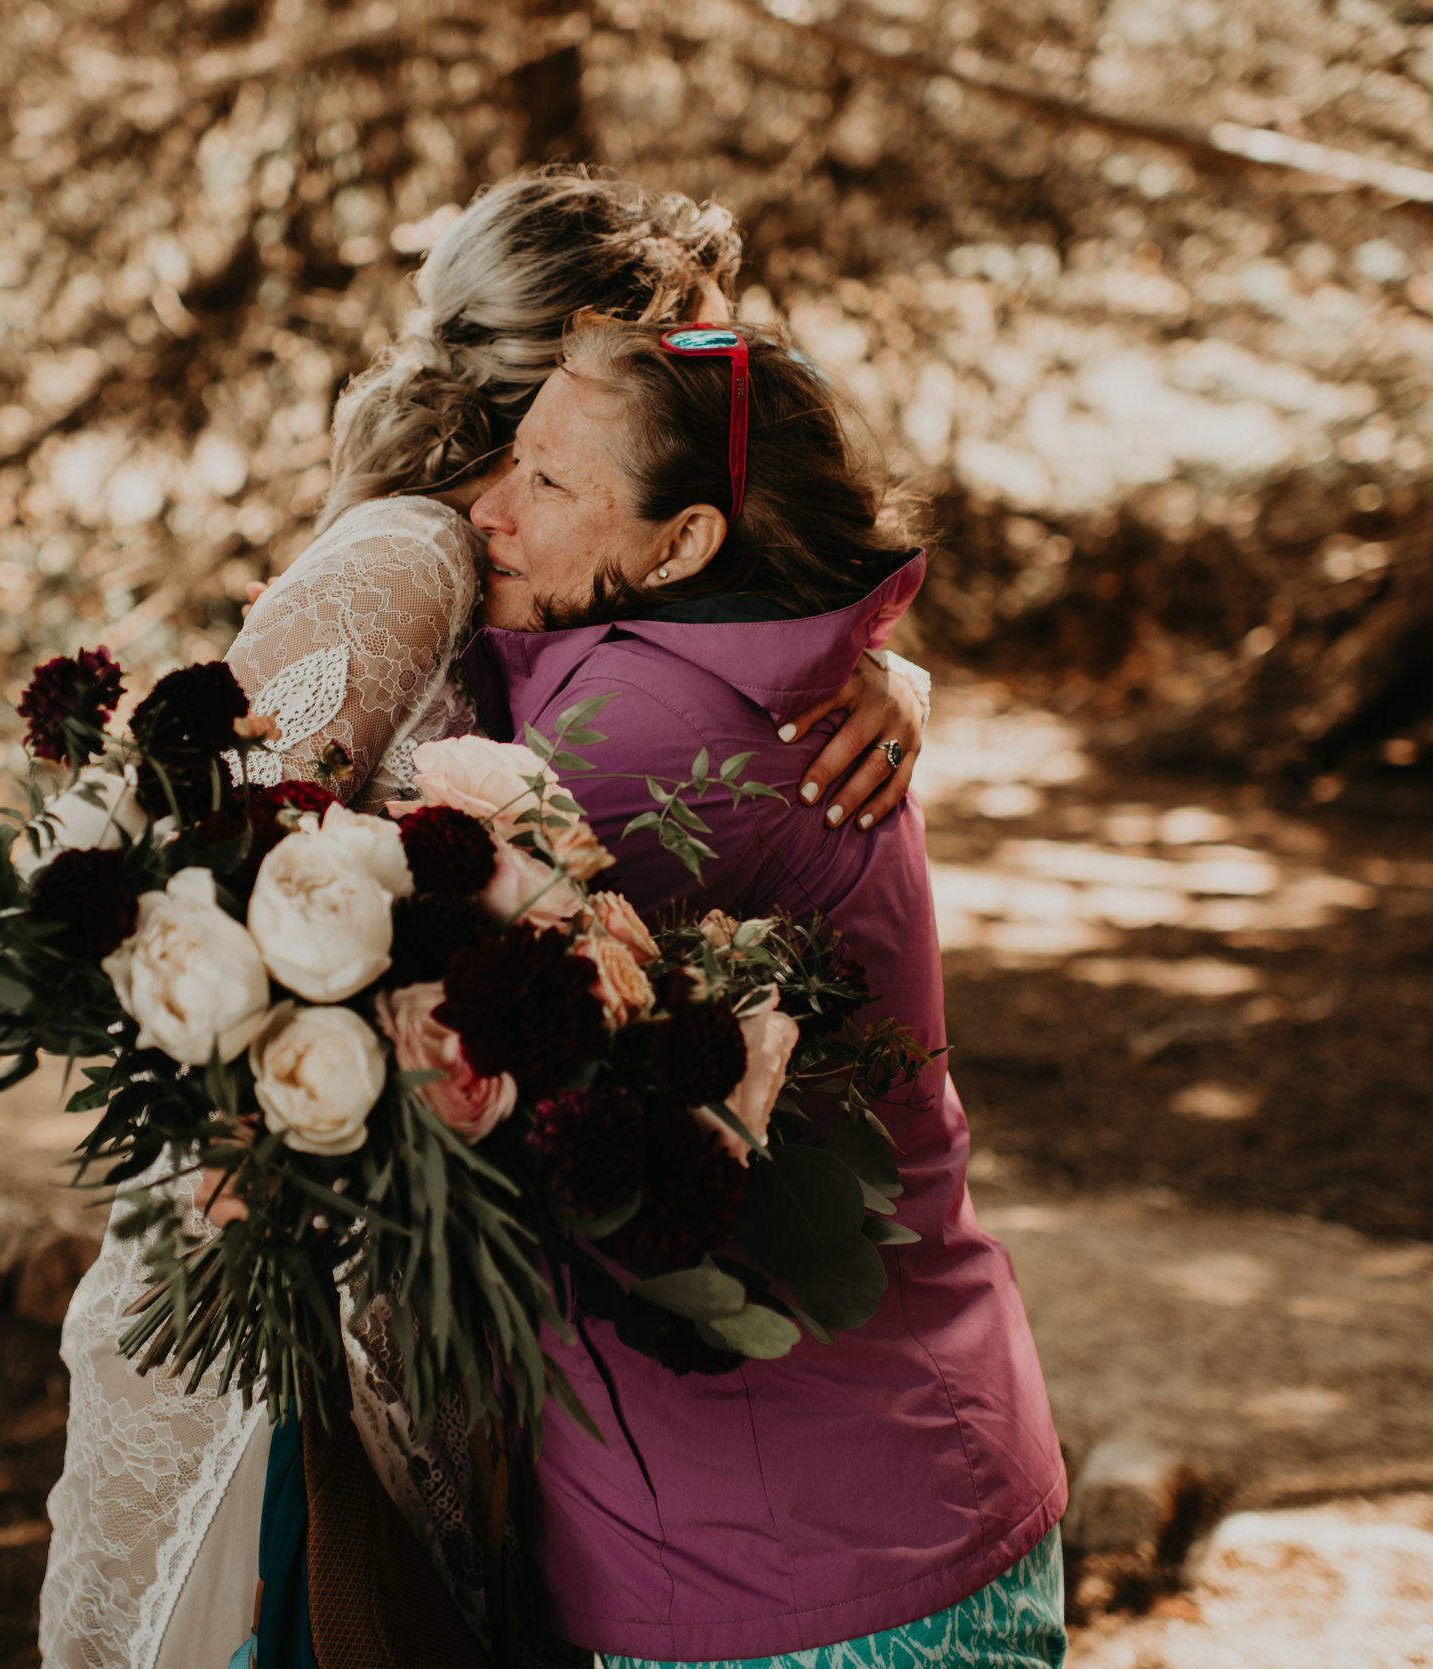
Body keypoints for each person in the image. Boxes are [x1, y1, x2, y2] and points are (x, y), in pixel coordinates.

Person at [40, 169, 934, 1669]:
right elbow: (185, 887)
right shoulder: (409, 558)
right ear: (577, 373)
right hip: (283, 1298)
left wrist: (889, 671)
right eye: (692, 359)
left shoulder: (556, 579)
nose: (723, 398)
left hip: (439, 1291)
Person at [454, 315, 1069, 1665]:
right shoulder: (721, 668)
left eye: (552, 485)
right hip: (889, 1505)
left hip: (804, 1568)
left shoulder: (643, 732)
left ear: (681, 549)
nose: (490, 507)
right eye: (515, 456)